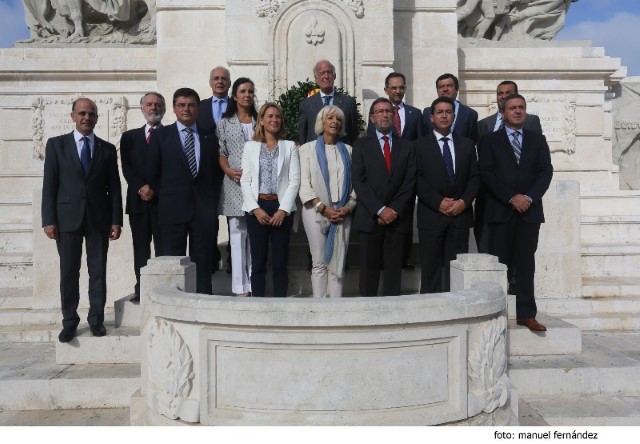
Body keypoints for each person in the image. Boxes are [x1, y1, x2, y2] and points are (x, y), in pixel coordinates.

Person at [41, 97, 123, 342]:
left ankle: (96, 320)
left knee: (97, 271)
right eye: (83, 113)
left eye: (92, 114)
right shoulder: (56, 145)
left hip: (99, 218)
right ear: (73, 116)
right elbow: (50, 185)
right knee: (69, 272)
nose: (87, 118)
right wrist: (48, 220)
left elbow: (115, 188)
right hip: (67, 219)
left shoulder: (107, 149)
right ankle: (69, 321)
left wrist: (116, 220)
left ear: (97, 118)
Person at [478, 94, 553, 332]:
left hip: (529, 212)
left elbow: (545, 172)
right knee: (500, 264)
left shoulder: (537, 139)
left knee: (526, 264)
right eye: (513, 108)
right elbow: (487, 173)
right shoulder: (489, 141)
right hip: (501, 211)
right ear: (503, 112)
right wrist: (511, 197)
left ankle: (526, 314)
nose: (518, 111)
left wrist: (528, 197)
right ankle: (496, 313)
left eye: (521, 107)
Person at [146, 88, 223, 295]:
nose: (186, 109)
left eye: (191, 105)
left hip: (203, 212)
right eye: (181, 105)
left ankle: (204, 304)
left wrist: (210, 202)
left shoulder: (209, 136)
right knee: (173, 264)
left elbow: (216, 174)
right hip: (172, 211)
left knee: (203, 264)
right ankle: (174, 306)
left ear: (198, 108)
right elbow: (152, 173)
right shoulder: (161, 136)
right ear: (174, 108)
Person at [352, 98, 416, 296]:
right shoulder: (361, 145)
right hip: (370, 218)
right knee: (368, 273)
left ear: (394, 115)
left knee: (393, 273)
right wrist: (380, 209)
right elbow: (359, 182)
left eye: (388, 111)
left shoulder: (407, 146)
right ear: (372, 118)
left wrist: (393, 210)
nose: (385, 114)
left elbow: (409, 183)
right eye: (379, 111)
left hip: (397, 220)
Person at [415, 97, 480, 293]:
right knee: (431, 270)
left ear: (454, 116)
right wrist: (438, 202)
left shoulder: (467, 145)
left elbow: (475, 177)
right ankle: (431, 314)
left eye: (449, 112)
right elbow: (417, 179)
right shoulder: (419, 146)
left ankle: (457, 312)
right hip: (432, 217)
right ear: (431, 118)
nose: (444, 115)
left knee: (457, 270)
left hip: (460, 217)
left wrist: (464, 202)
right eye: (440, 112)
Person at [241, 102, 300, 297]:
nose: (274, 120)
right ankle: (258, 303)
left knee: (280, 261)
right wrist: (255, 209)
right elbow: (246, 180)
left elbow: (294, 181)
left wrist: (283, 210)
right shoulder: (250, 147)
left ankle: (280, 304)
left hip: (281, 206)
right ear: (261, 120)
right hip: (258, 206)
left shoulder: (289, 146)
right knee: (258, 260)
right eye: (270, 116)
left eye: (277, 116)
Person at [476, 80, 543, 254]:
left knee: (523, 259)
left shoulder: (531, 122)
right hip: (495, 200)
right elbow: (484, 165)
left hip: (526, 204)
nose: (504, 96)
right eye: (500, 93)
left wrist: (526, 197)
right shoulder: (484, 125)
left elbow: (538, 162)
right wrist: (509, 196)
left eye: (508, 93)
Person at [299, 105, 357, 298]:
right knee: (319, 262)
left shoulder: (348, 150)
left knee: (338, 262)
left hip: (342, 212)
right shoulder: (307, 149)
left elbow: (357, 184)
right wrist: (322, 207)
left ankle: (336, 309)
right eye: (330, 118)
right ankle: (320, 309)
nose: (335, 122)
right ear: (321, 122)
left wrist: (348, 207)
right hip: (315, 211)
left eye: (338, 119)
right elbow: (304, 184)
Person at [366, 71, 423, 270]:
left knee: (403, 220)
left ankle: (404, 257)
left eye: (401, 87)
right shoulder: (376, 113)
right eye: (394, 87)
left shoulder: (415, 114)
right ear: (386, 89)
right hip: (382, 178)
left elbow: (420, 143)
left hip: (405, 175)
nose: (398, 91)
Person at [120, 92, 165, 302]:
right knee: (140, 247)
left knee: (163, 249)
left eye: (157, 104)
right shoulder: (129, 137)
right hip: (138, 202)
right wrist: (141, 187)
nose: (153, 107)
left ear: (163, 109)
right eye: (149, 104)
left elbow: (170, 168)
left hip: (162, 202)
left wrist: (153, 187)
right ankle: (141, 288)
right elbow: (127, 167)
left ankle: (165, 289)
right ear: (142, 109)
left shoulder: (170, 134)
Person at [217, 78, 257, 297]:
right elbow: (221, 152)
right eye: (242, 91)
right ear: (234, 96)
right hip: (233, 183)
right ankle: (239, 287)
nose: (247, 95)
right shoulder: (224, 123)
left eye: (250, 91)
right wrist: (227, 170)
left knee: (254, 234)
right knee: (237, 233)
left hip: (258, 185)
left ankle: (253, 282)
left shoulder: (261, 121)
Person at [197, 65, 232, 271]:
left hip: (232, 171)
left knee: (234, 218)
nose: (220, 82)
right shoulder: (199, 107)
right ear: (210, 82)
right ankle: (211, 258)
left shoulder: (238, 107)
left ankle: (232, 261)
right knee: (209, 217)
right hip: (207, 171)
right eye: (216, 78)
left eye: (224, 79)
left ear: (229, 83)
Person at [298, 60, 359, 145]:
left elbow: (353, 133)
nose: (326, 76)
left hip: (341, 152)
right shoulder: (306, 104)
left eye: (329, 72)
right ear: (316, 78)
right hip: (314, 154)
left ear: (334, 76)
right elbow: (302, 135)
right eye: (322, 73)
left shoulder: (348, 102)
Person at [422, 73, 479, 144]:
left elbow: (472, 142)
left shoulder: (470, 114)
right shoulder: (427, 112)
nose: (445, 89)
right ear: (437, 91)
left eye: (449, 86)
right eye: (441, 87)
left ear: (456, 89)